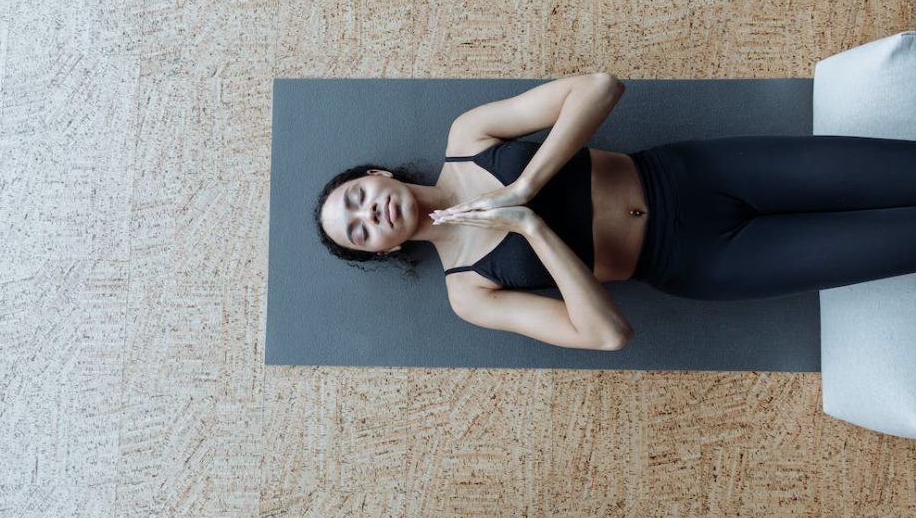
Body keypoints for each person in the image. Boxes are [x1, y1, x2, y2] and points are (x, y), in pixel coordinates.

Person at [315, 73, 916, 351]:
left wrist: (524, 185)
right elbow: (608, 334)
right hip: (700, 262)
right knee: (902, 242)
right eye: (360, 232)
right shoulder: (467, 294)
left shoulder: (468, 135)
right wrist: (529, 225)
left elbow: (600, 87)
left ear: (377, 176)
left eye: (357, 199)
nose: (370, 213)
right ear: (385, 251)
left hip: (693, 173)